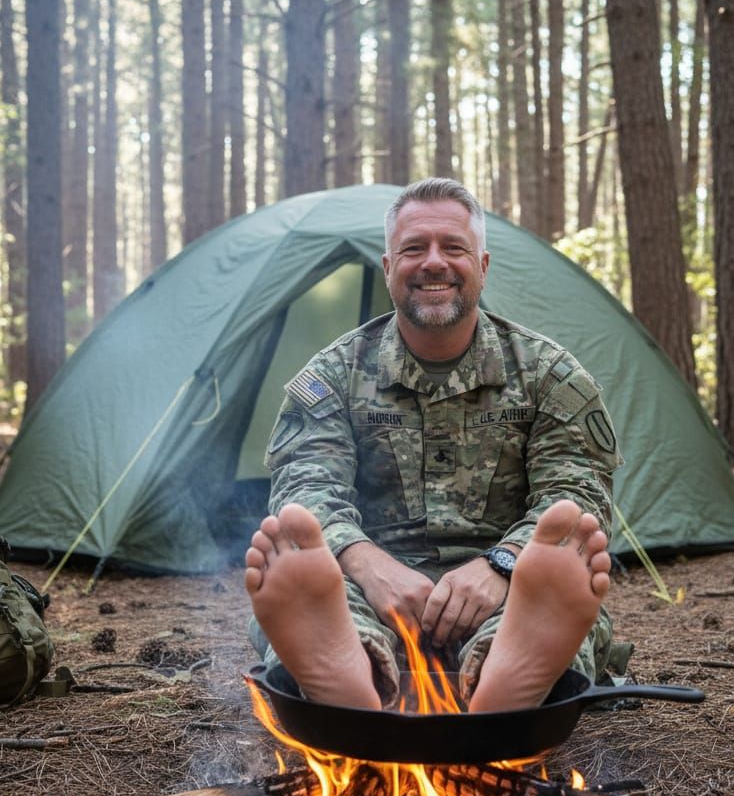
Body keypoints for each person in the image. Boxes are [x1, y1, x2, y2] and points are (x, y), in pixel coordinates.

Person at [244, 177, 622, 713]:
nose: (434, 263)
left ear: (483, 266)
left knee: (557, 603)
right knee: (329, 603)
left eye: (454, 247)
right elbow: (305, 488)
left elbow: (576, 498)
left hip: (515, 584)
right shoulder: (332, 375)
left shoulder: (549, 376)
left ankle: (506, 672)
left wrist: (502, 564)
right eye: (414, 249)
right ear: (388, 268)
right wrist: (368, 564)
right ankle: (354, 674)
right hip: (365, 582)